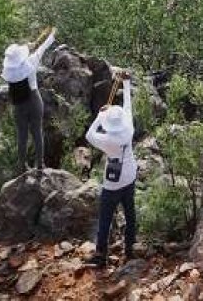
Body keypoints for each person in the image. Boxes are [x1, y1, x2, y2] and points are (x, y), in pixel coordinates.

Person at [85, 71, 137, 268]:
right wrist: (126, 84)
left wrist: (100, 115)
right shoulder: (129, 129)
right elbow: (128, 106)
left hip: (113, 183)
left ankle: (100, 254)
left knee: (105, 218)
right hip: (130, 176)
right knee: (130, 213)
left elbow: (89, 135)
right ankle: (130, 247)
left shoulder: (107, 141)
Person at [0, 27, 57, 173]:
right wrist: (51, 35)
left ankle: (22, 165)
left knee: (22, 135)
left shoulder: (9, 71)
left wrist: (29, 46)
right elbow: (42, 47)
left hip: (18, 103)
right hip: (34, 99)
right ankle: (40, 164)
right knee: (37, 131)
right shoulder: (31, 61)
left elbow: (28, 50)